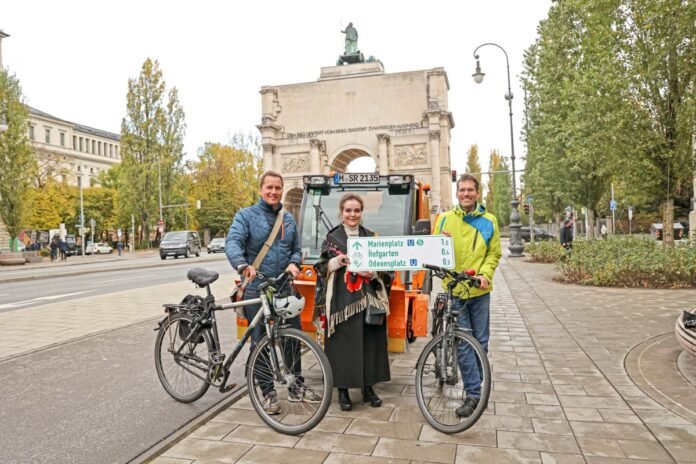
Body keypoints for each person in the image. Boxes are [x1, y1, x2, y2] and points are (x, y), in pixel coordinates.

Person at [225, 170, 318, 415]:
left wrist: (294, 264)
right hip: (256, 287)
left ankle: (296, 386)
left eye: (278, 188)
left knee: (292, 339)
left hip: (284, 286)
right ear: (260, 189)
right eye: (269, 187)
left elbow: (296, 249)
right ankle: (267, 393)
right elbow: (232, 242)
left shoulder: (287, 220)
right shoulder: (245, 216)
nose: (274, 192)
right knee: (260, 343)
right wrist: (242, 265)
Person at [314, 193, 392, 411]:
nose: (352, 214)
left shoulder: (372, 237)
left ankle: (368, 388)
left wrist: (374, 273)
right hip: (342, 302)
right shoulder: (332, 239)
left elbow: (388, 271)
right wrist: (335, 262)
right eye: (348, 210)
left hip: (369, 301)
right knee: (342, 346)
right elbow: (319, 268)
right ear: (341, 212)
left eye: (356, 210)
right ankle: (343, 391)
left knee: (370, 343)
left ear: (361, 212)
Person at [433, 174, 502, 418]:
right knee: (463, 342)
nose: (465, 194)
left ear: (477, 192)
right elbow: (433, 249)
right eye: (461, 190)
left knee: (480, 343)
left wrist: (484, 274)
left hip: (479, 289)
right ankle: (474, 394)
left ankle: (475, 384)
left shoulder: (489, 221)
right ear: (457, 193)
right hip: (455, 290)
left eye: (470, 190)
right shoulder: (443, 220)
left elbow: (493, 254)